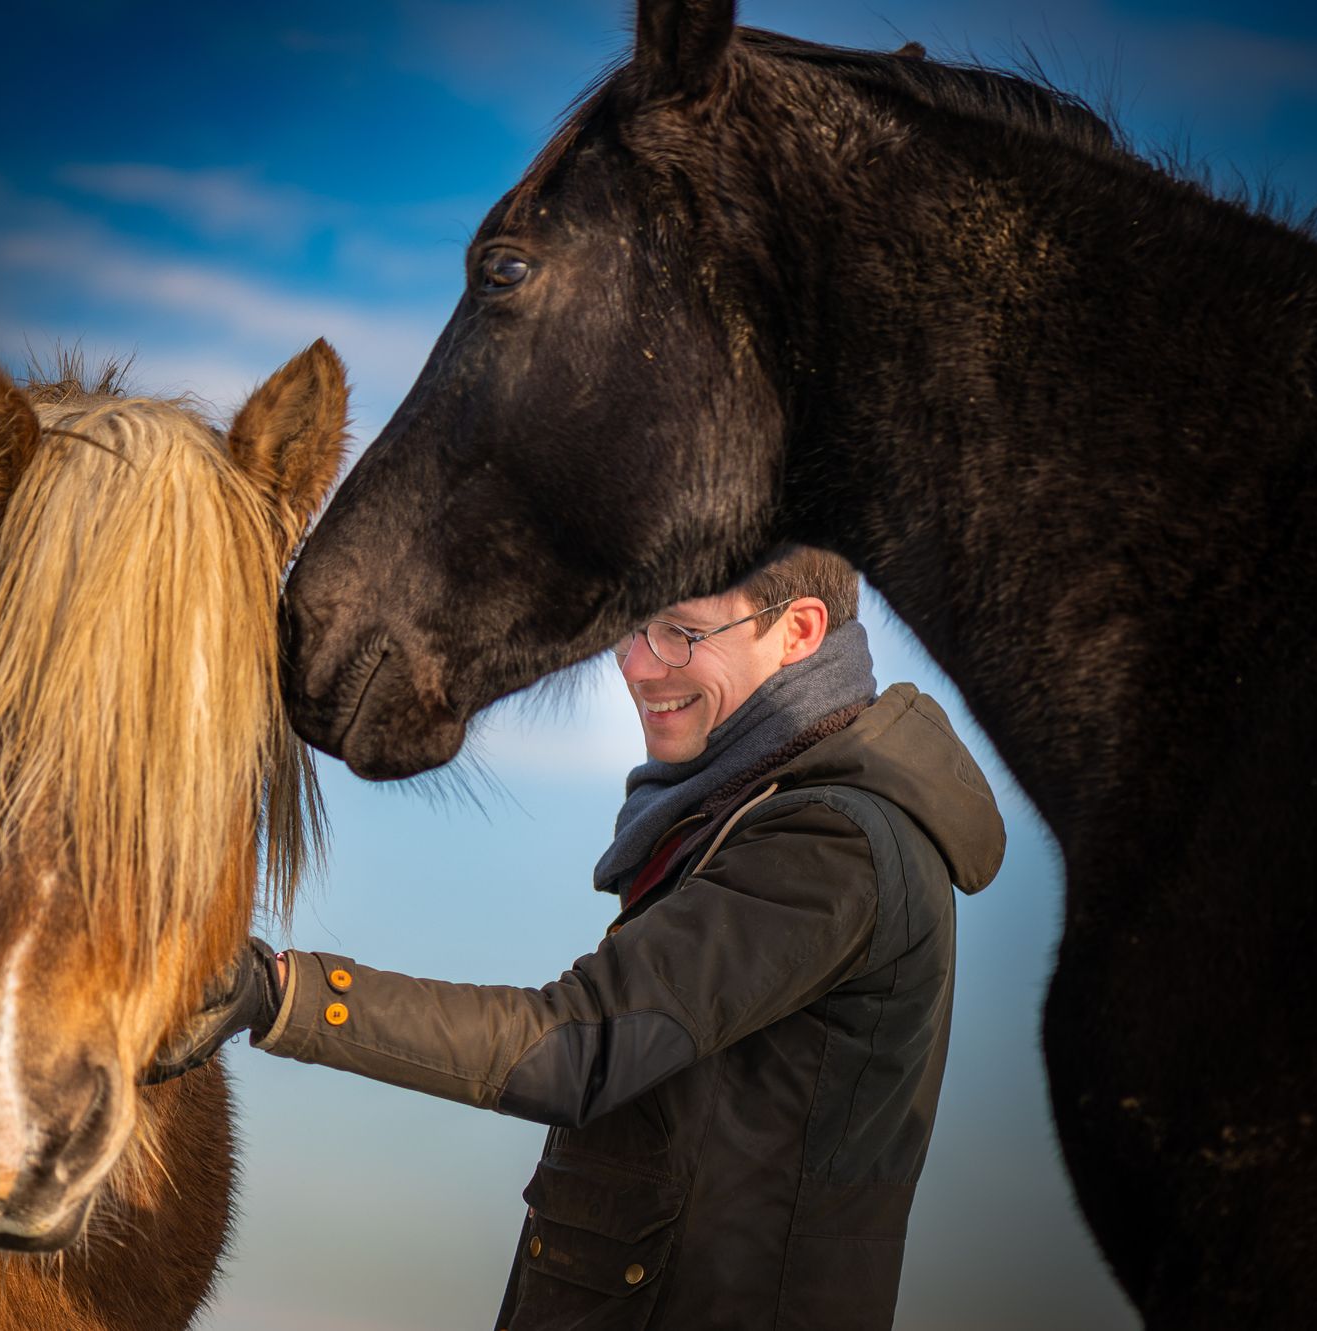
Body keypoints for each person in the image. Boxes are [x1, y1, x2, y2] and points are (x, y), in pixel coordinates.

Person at [153, 547, 1005, 1330]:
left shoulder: (829, 846)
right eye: (634, 625)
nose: (637, 664)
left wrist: (283, 994)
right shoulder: (744, 812)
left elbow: (579, 1043)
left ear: (799, 631)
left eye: (681, 632)